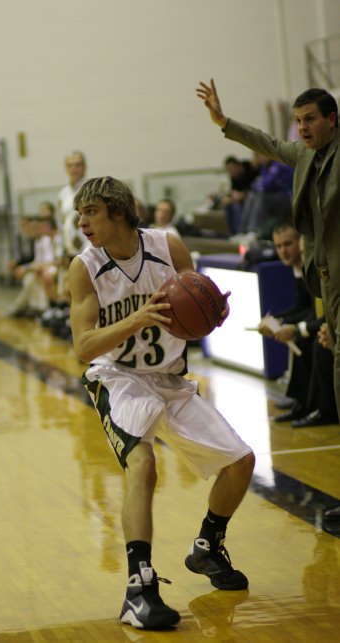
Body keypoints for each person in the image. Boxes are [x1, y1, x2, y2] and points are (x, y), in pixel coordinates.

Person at [68, 176, 255, 630]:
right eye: (80, 214)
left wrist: (213, 311)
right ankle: (138, 587)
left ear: (117, 212)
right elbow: (84, 347)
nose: (81, 222)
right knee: (144, 465)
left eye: (90, 212)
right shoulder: (84, 267)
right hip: (119, 378)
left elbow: (200, 303)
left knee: (241, 462)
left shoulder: (168, 248)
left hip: (170, 378)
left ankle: (207, 547)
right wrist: (137, 318)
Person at [196, 79, 340, 517]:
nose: (302, 128)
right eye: (298, 121)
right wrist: (224, 122)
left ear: (333, 120)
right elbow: (268, 142)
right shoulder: (302, 153)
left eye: (310, 119)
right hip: (327, 285)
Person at [260, 222, 336, 427]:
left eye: (288, 245)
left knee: (312, 343)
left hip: (328, 323)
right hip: (321, 322)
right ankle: (304, 402)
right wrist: (279, 320)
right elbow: (303, 306)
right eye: (278, 246)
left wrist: (295, 327)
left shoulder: (315, 269)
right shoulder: (298, 269)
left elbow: (319, 311)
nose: (283, 251)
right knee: (304, 342)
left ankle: (322, 408)